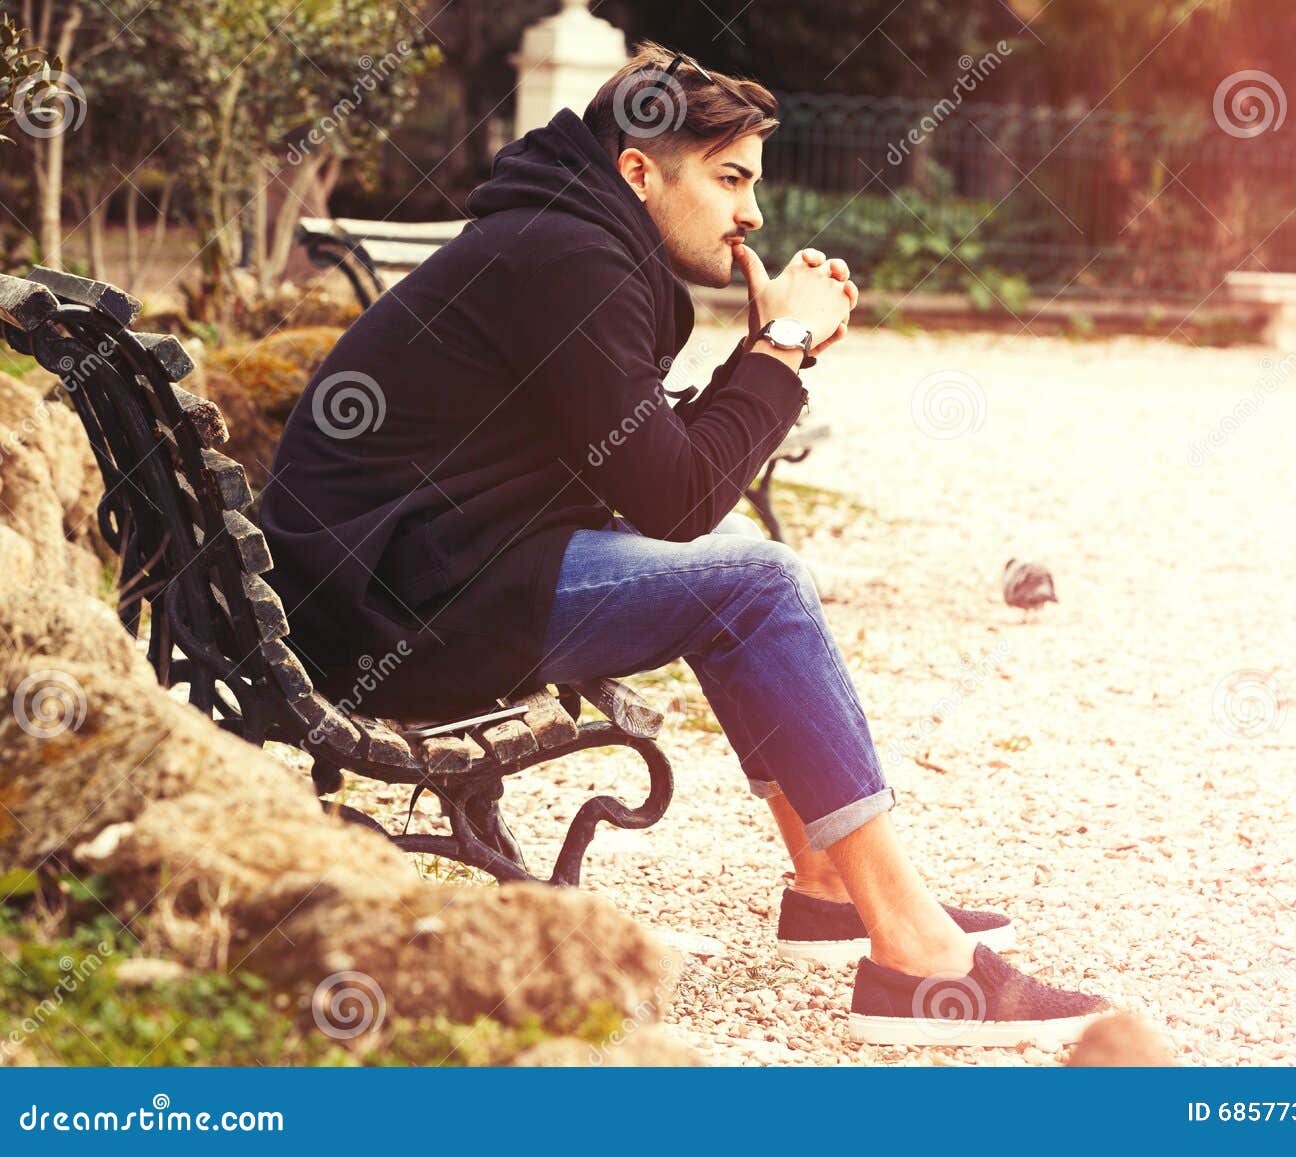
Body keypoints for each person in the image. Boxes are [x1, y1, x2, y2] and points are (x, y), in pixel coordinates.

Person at [260, 42, 1112, 1047]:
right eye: (729, 179)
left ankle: (830, 881)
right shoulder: (567, 258)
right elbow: (675, 500)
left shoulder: (564, 240)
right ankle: (914, 953)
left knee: (739, 577)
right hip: (399, 605)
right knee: (758, 578)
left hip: (412, 575)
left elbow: (661, 480)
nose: (750, 213)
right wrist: (782, 350)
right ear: (638, 170)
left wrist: (764, 355)